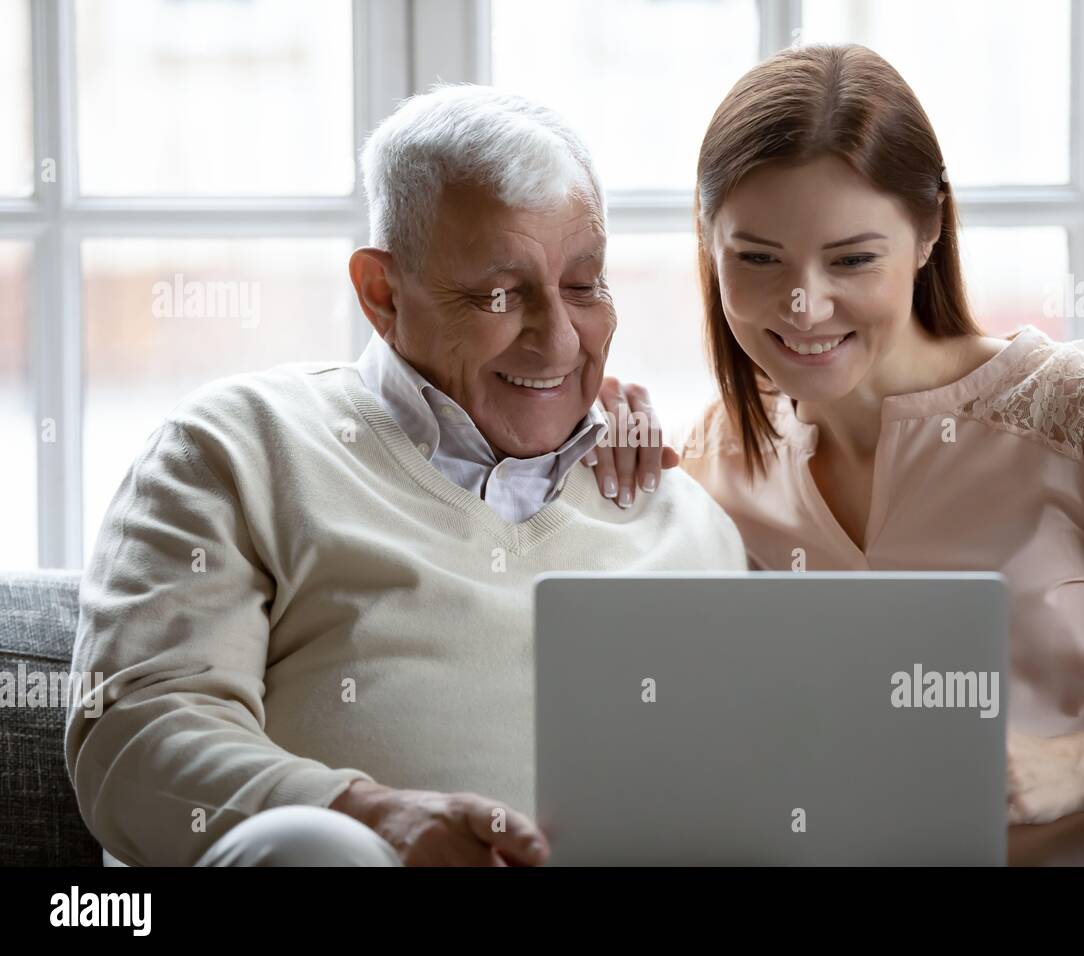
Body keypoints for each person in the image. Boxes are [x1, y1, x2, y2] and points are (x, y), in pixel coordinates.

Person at [595, 44, 1084, 865]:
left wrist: (1073, 770)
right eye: (756, 258)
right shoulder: (717, 460)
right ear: (707, 242)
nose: (804, 305)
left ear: (929, 231)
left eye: (853, 258)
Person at [65, 84, 745, 867]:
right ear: (381, 294)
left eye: (583, 286)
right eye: (500, 293)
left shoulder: (684, 520)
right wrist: (371, 816)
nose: (559, 342)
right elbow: (134, 737)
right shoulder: (237, 448)